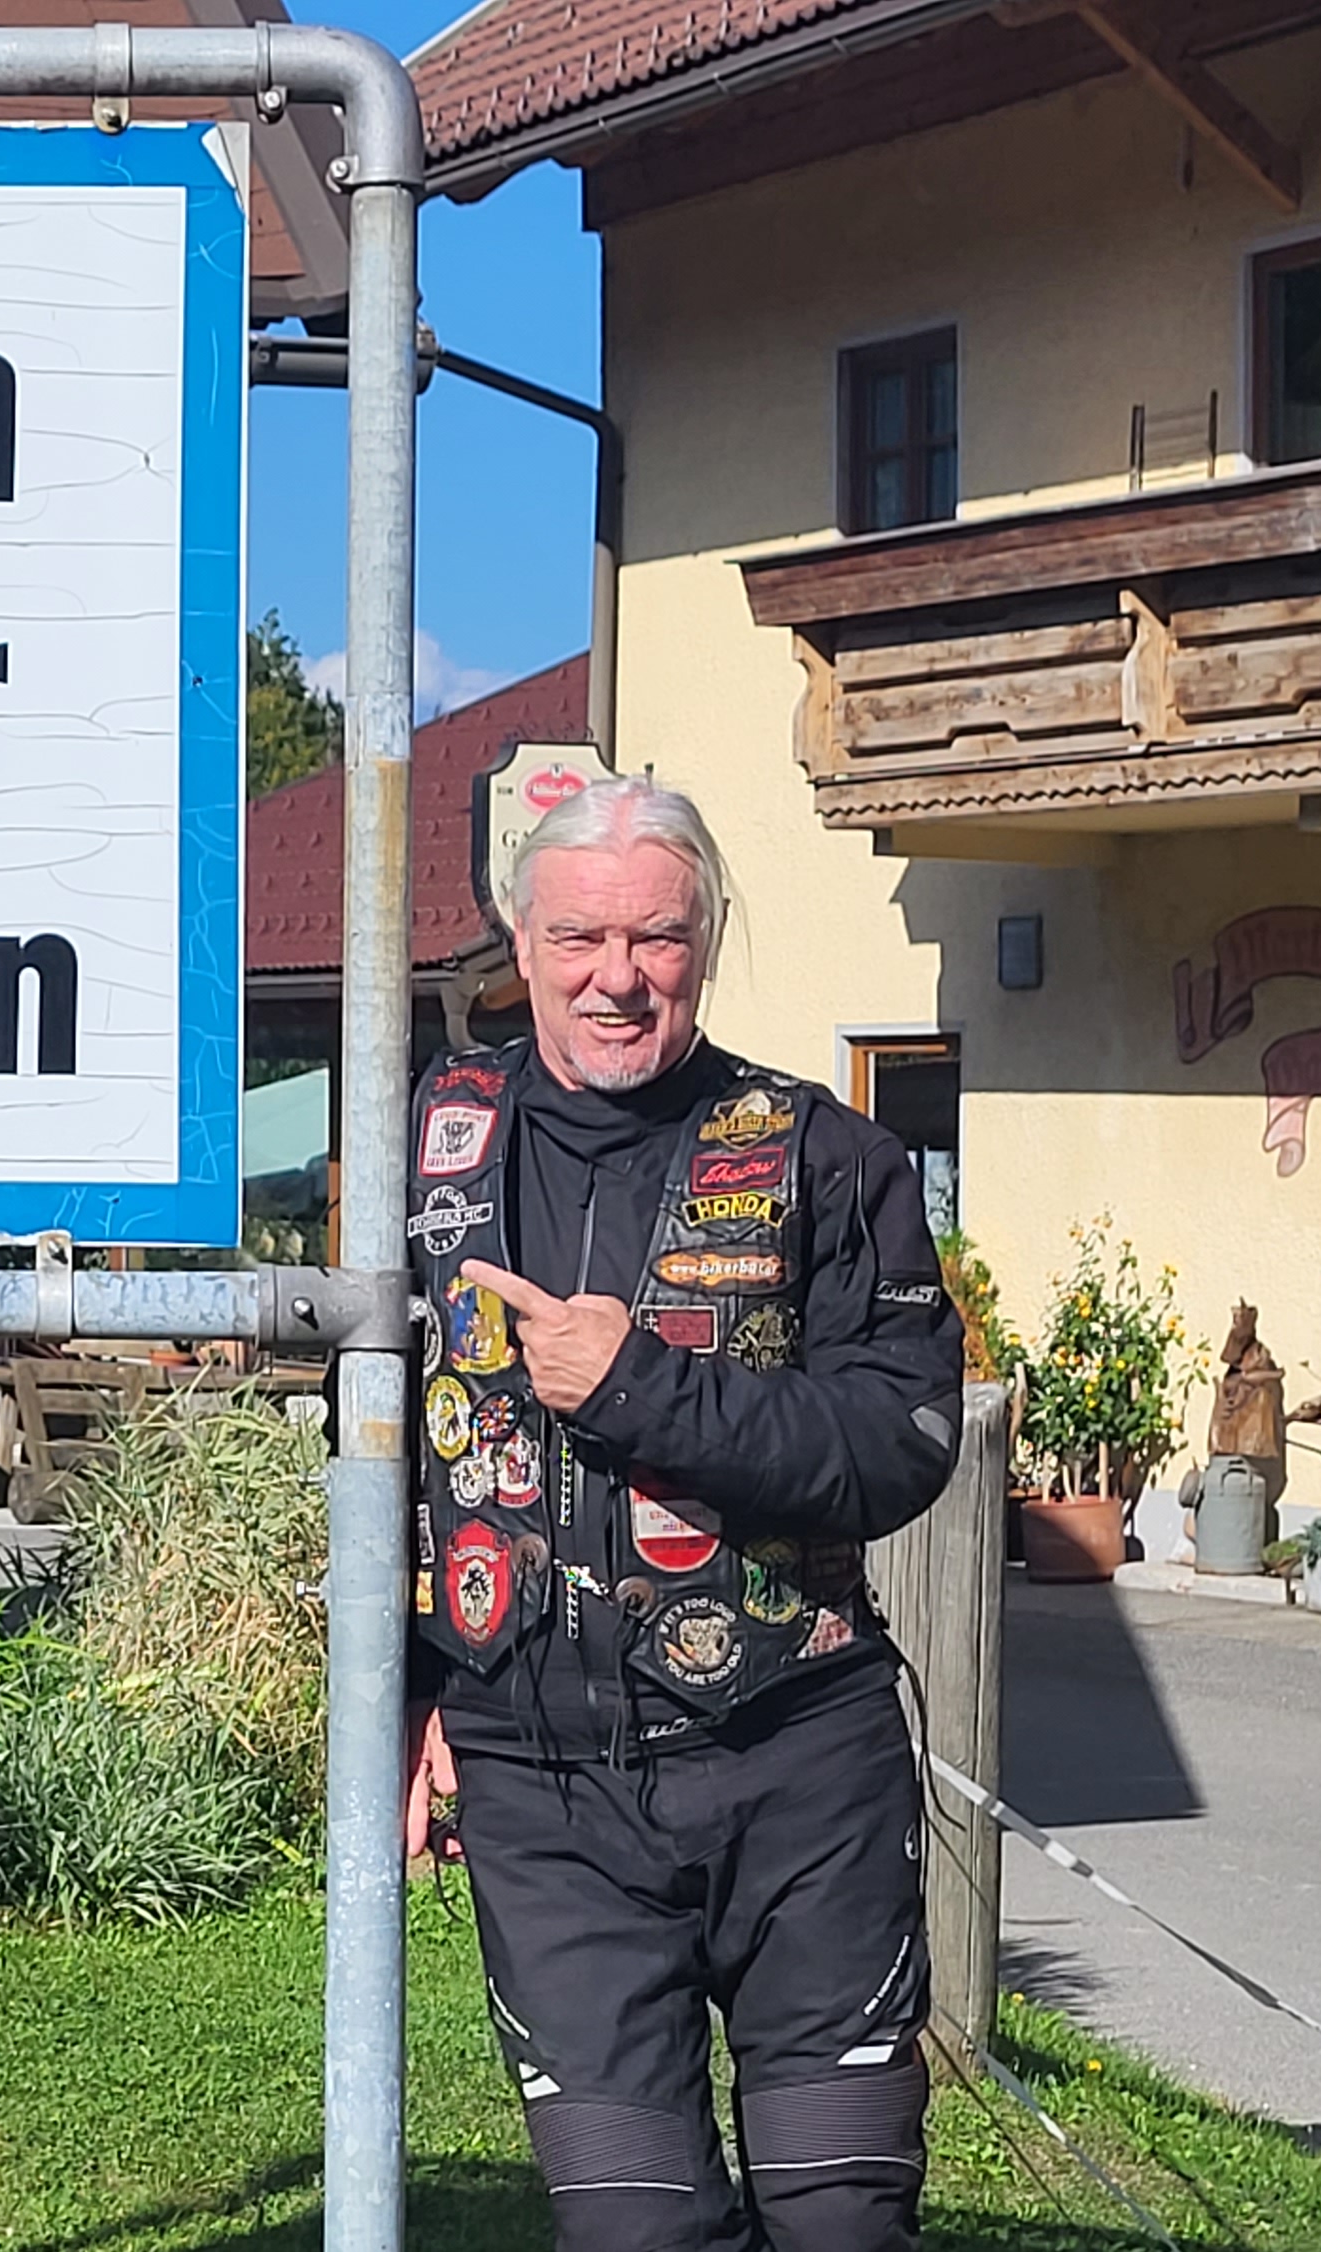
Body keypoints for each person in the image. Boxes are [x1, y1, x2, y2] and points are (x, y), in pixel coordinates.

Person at [401, 775, 963, 2252]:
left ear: (706, 940)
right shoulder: (429, 1147)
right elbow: (381, 1441)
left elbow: (903, 1441)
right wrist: (404, 1697)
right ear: (520, 939)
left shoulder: (826, 1155)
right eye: (581, 937)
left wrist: (639, 1387)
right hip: (543, 1788)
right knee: (637, 2231)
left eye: (657, 937)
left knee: (842, 2221)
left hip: (800, 1769)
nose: (619, 977)